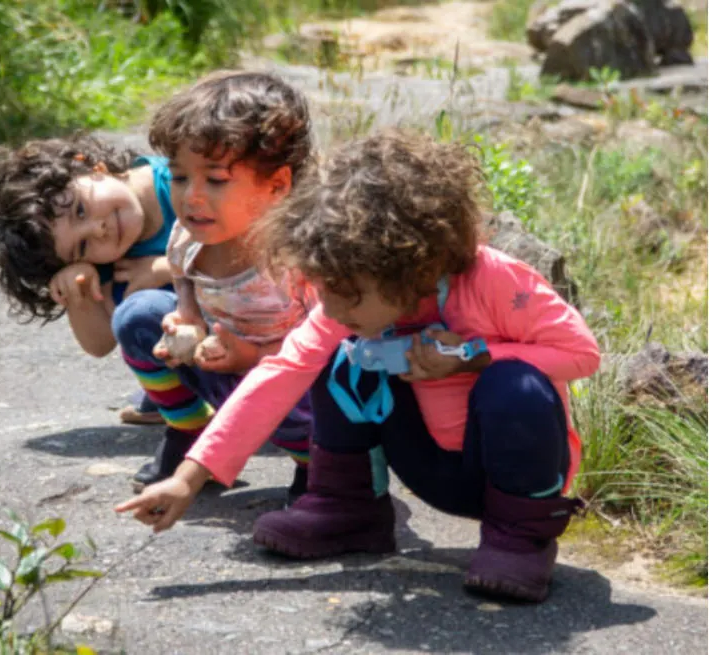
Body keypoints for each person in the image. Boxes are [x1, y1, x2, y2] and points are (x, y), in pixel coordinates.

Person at [117, 130, 601, 604]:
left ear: (407, 269)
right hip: (430, 467)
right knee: (343, 354)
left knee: (515, 385)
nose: (328, 305)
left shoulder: (493, 281)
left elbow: (582, 353)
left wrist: (478, 357)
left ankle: (520, 541)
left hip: (515, 479)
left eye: (343, 294)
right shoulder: (348, 300)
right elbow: (279, 374)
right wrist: (189, 477)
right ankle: (347, 507)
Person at [111, 71, 316, 498]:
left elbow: (332, 344)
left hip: (293, 381)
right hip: (223, 368)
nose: (190, 197)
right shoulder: (190, 234)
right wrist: (187, 316)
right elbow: (182, 274)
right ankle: (191, 429)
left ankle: (317, 468)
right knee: (138, 316)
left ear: (277, 185)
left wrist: (256, 356)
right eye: (181, 177)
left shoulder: (295, 255)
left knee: (316, 393)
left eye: (216, 180)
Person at [0, 134, 174, 422]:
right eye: (82, 247)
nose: (98, 230)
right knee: (137, 311)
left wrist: (168, 268)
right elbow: (99, 343)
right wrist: (76, 287)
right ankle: (183, 393)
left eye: (80, 210)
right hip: (203, 342)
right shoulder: (110, 257)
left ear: (89, 167)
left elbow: (253, 251)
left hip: (255, 314)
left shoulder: (182, 181)